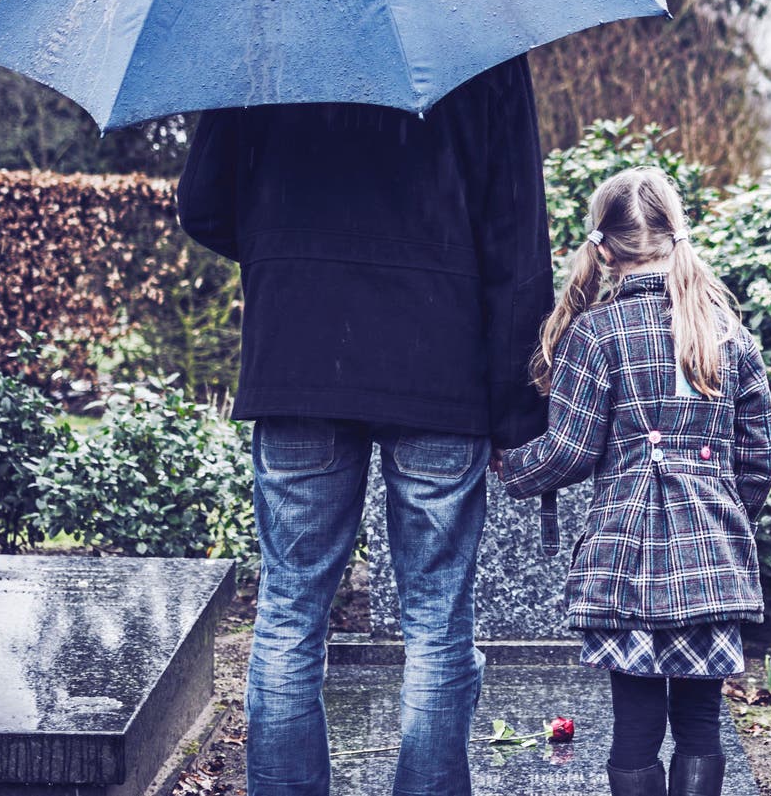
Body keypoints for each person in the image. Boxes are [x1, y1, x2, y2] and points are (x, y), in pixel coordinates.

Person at [176, 57, 552, 796]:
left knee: (289, 613)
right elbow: (516, 234)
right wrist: (517, 414)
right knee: (438, 623)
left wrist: (295, 262)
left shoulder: (266, 27)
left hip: (299, 359)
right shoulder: (477, 33)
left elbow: (203, 203)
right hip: (439, 367)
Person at [498, 167, 771, 796]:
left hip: (628, 557)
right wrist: (718, 516)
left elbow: (570, 451)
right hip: (711, 553)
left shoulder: (595, 334)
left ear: (602, 250)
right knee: (703, 720)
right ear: (676, 236)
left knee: (636, 719)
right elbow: (759, 458)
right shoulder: (725, 331)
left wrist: (511, 468)